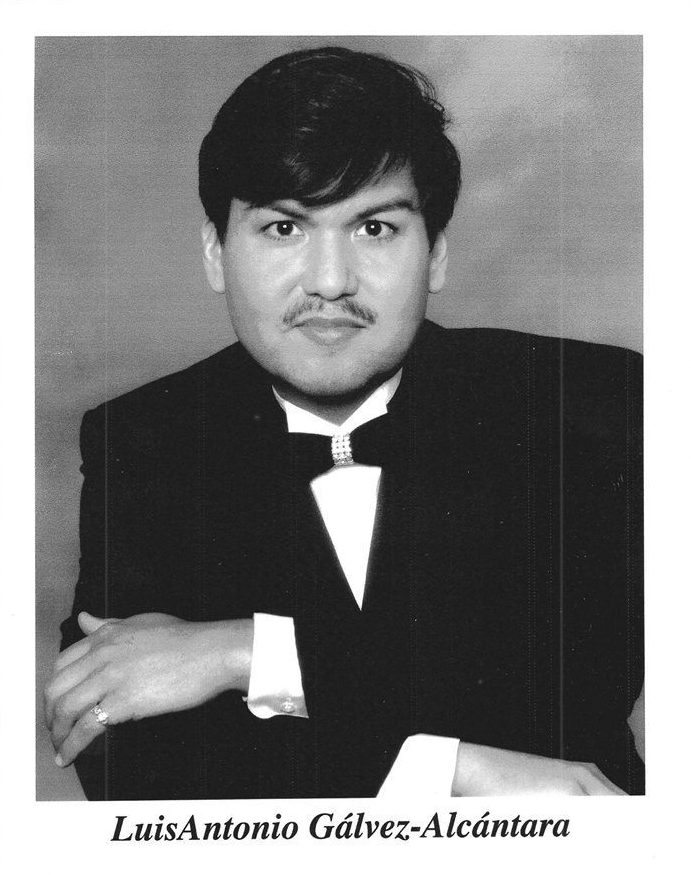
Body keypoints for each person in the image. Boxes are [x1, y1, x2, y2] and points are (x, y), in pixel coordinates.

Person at [44, 46, 644, 799]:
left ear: (435, 257)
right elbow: (138, 766)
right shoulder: (145, 438)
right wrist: (460, 767)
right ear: (215, 254)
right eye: (283, 229)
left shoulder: (588, 401)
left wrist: (251, 653)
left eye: (375, 229)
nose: (330, 282)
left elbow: (563, 693)